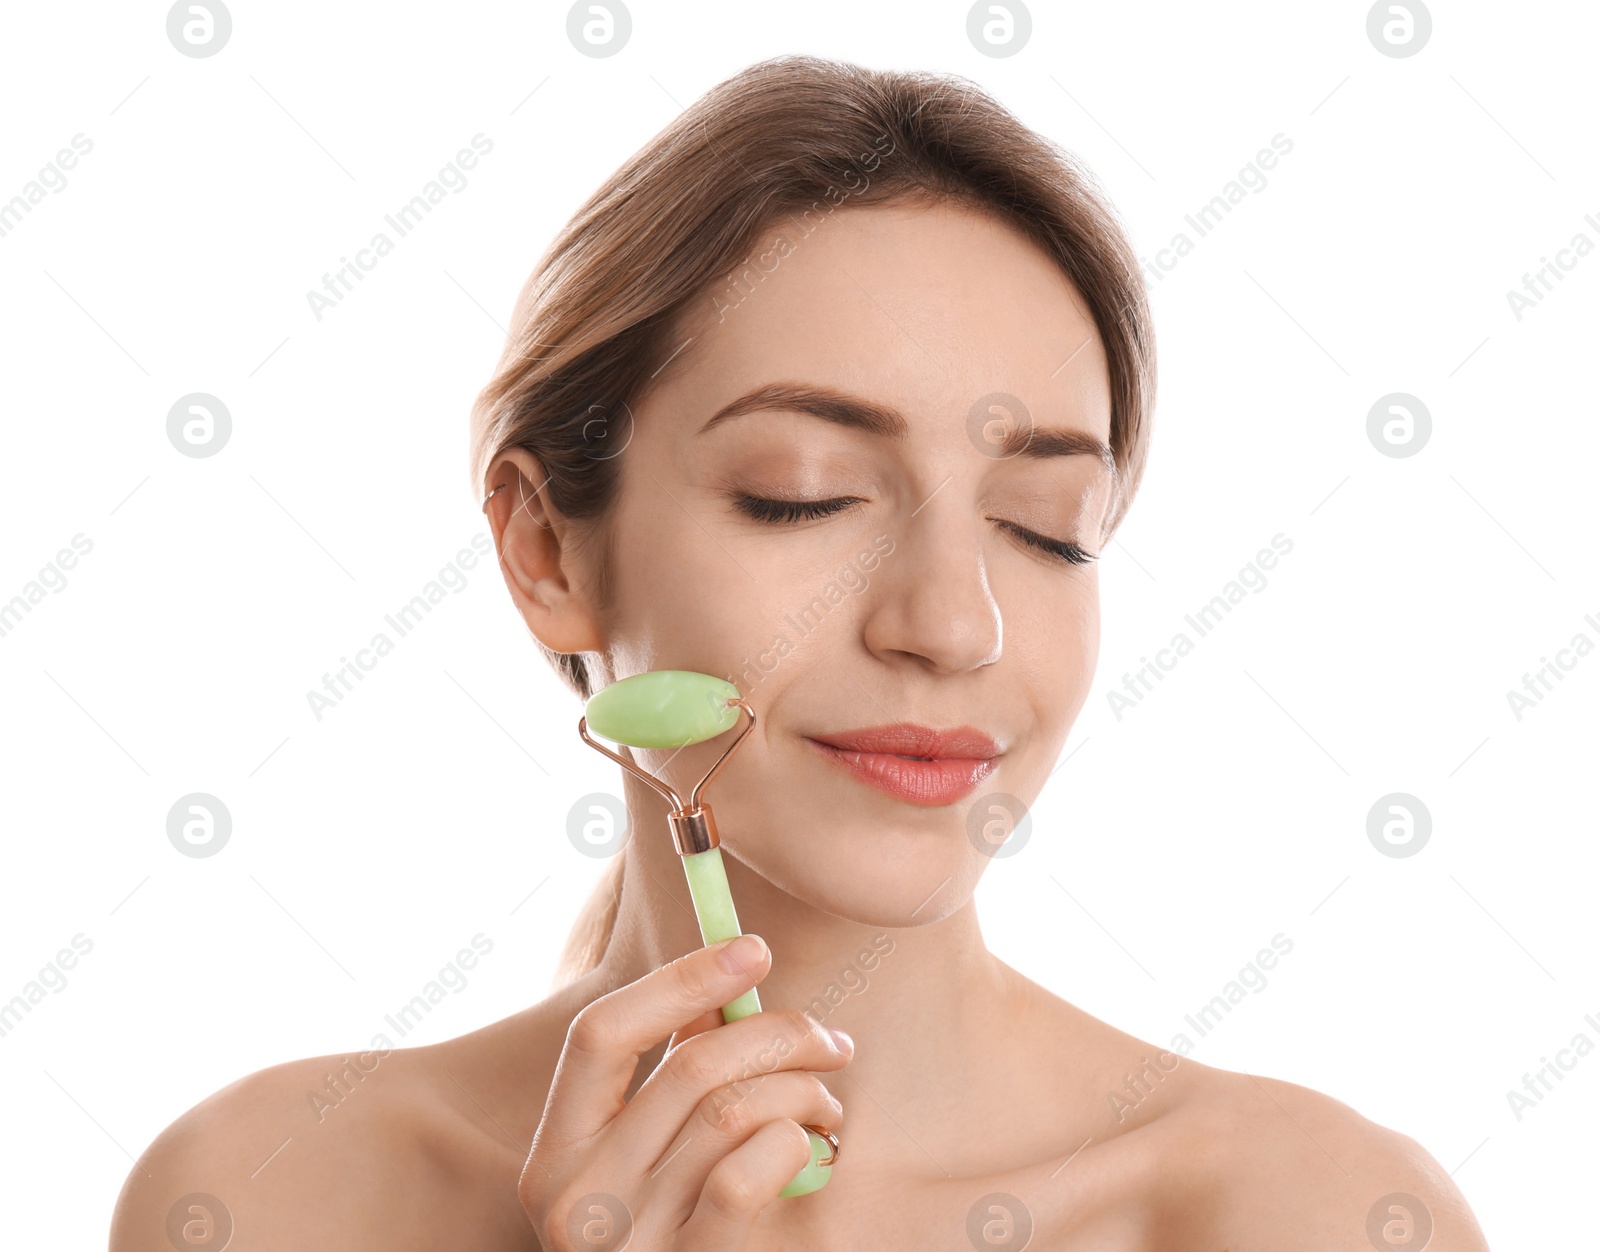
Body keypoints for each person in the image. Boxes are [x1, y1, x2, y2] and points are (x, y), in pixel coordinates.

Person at [111, 54, 1489, 1250]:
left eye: (1045, 525)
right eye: (803, 495)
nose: (953, 625)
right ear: (546, 552)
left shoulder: (1317, 1217)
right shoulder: (269, 1198)